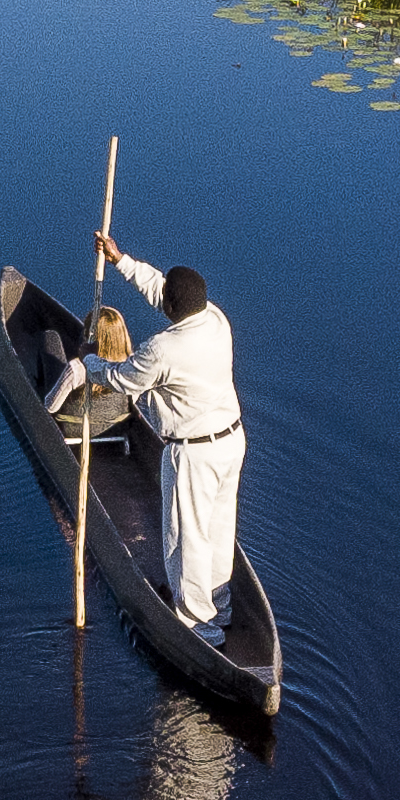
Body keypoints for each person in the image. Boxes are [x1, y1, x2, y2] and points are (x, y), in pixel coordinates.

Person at [76, 231, 243, 637]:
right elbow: (161, 292)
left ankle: (197, 626)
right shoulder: (215, 319)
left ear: (172, 307)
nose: (162, 299)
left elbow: (122, 380)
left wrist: (89, 363)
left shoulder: (163, 349)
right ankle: (219, 610)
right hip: (231, 441)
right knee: (219, 530)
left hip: (194, 454)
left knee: (187, 537)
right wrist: (120, 261)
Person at [40, 305, 136, 437]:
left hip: (74, 430)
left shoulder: (77, 369)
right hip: (113, 428)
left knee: (51, 338)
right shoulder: (132, 367)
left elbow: (50, 407)